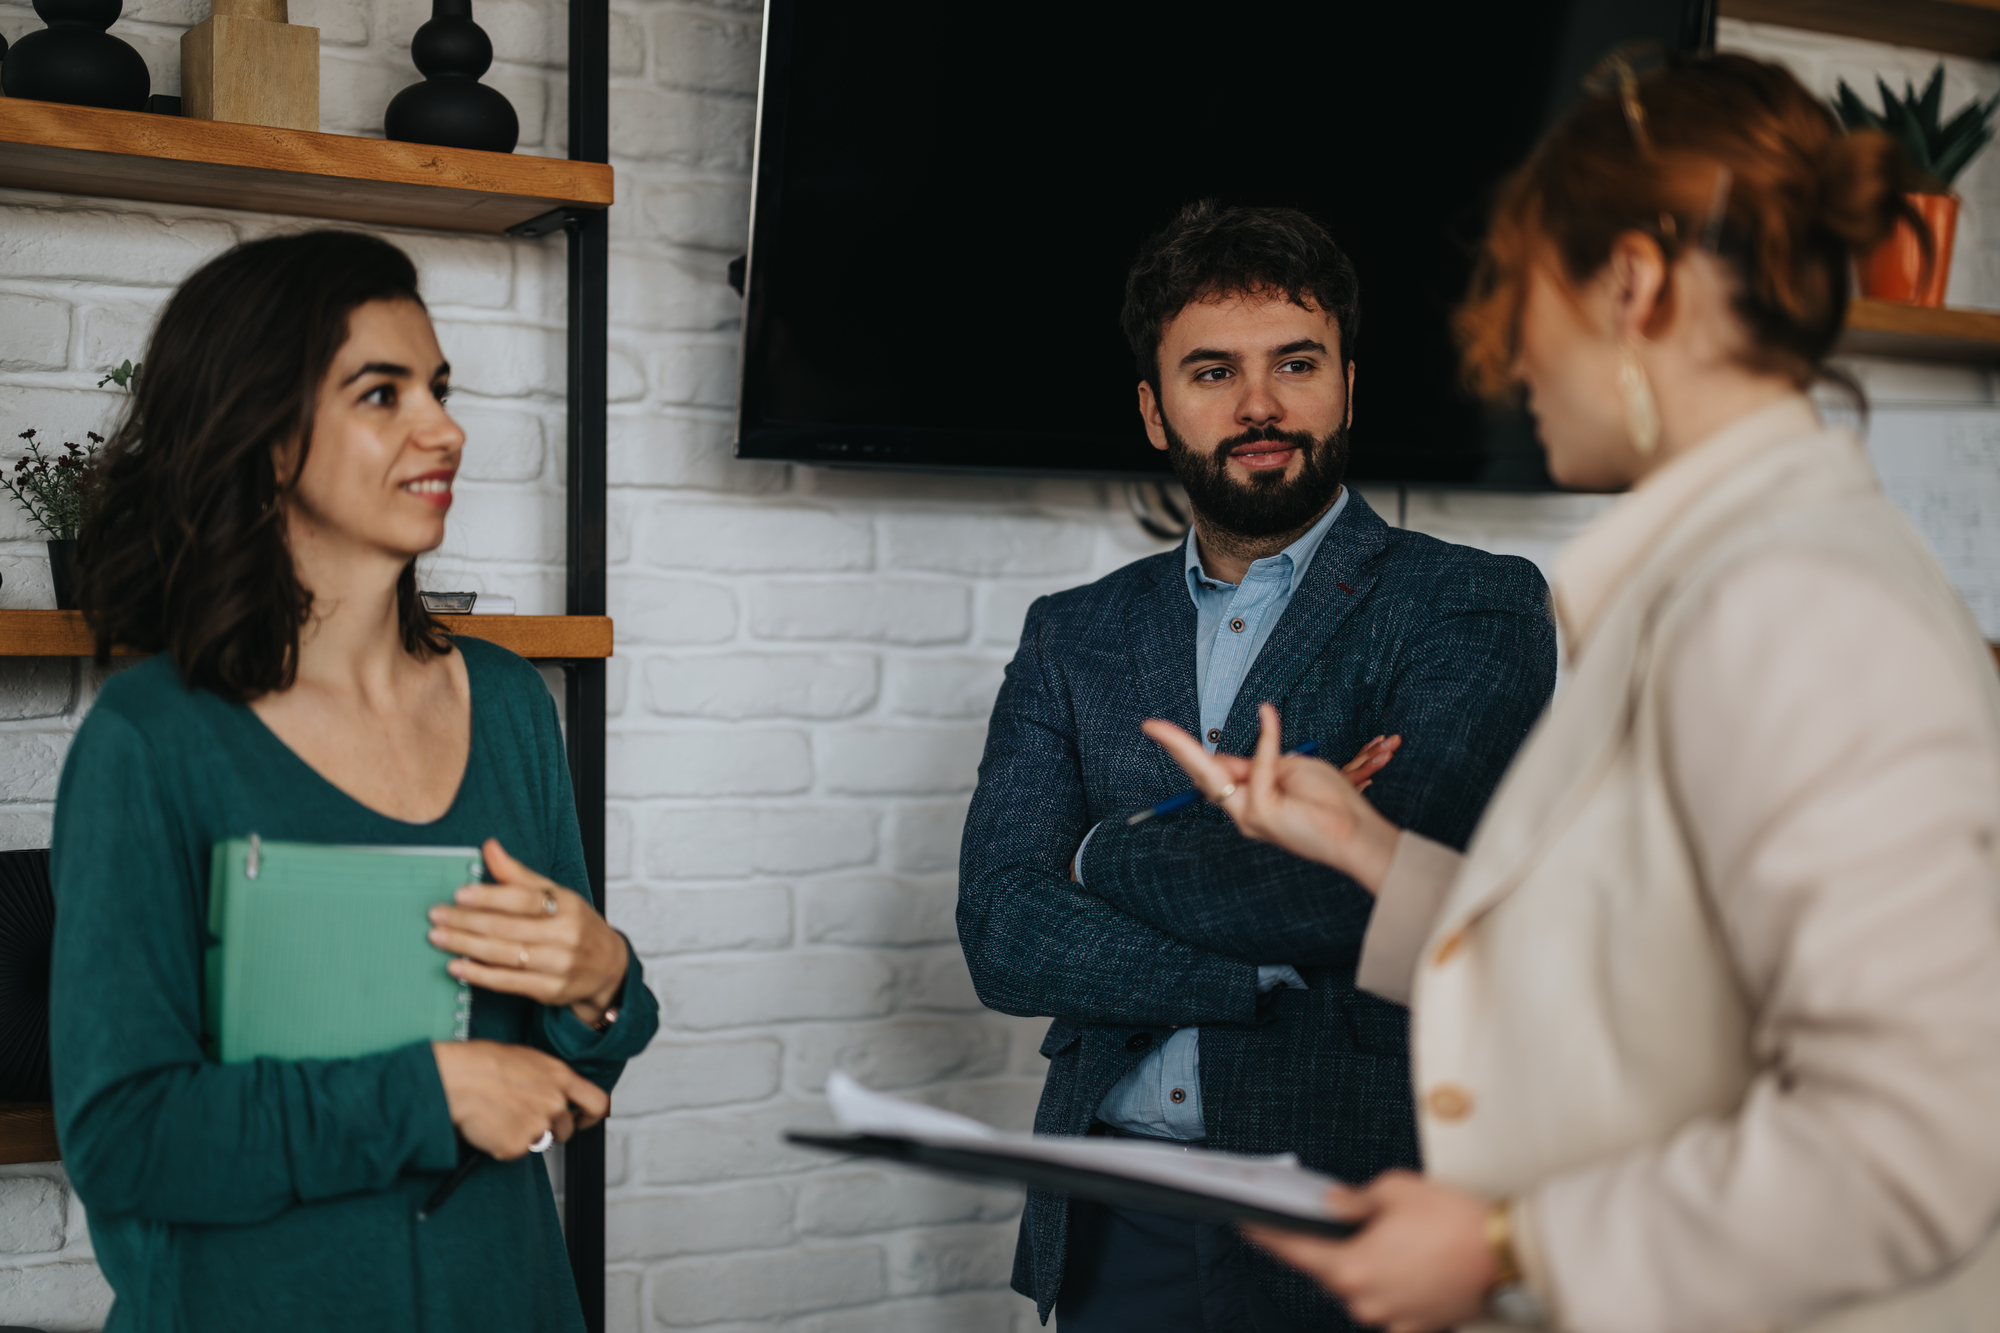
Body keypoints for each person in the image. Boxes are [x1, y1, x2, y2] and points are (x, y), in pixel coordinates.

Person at [1144, 53, 2000, 1333]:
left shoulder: (1795, 604)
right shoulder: (1709, 581)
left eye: (1511, 291)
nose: (1500, 352)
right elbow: (1633, 970)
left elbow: (1925, 1131)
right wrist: (1366, 847)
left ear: (1632, 286)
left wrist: (1505, 1240)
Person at [957, 202, 1558, 1330]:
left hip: (1358, 1212)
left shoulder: (1472, 604)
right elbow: (999, 928)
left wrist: (1093, 854)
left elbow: (1343, 887)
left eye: (1295, 363)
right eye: (1210, 371)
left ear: (1345, 384)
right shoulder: (1069, 634)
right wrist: (1245, 980)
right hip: (1114, 1217)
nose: (1258, 405)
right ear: (1152, 410)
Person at [47, 230, 659, 1333]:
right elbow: (125, 1139)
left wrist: (602, 978)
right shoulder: (152, 741)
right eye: (382, 394)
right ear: (267, 437)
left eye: (438, 387)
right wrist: (428, 1094)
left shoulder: (511, 704)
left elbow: (580, 1052)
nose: (445, 428)